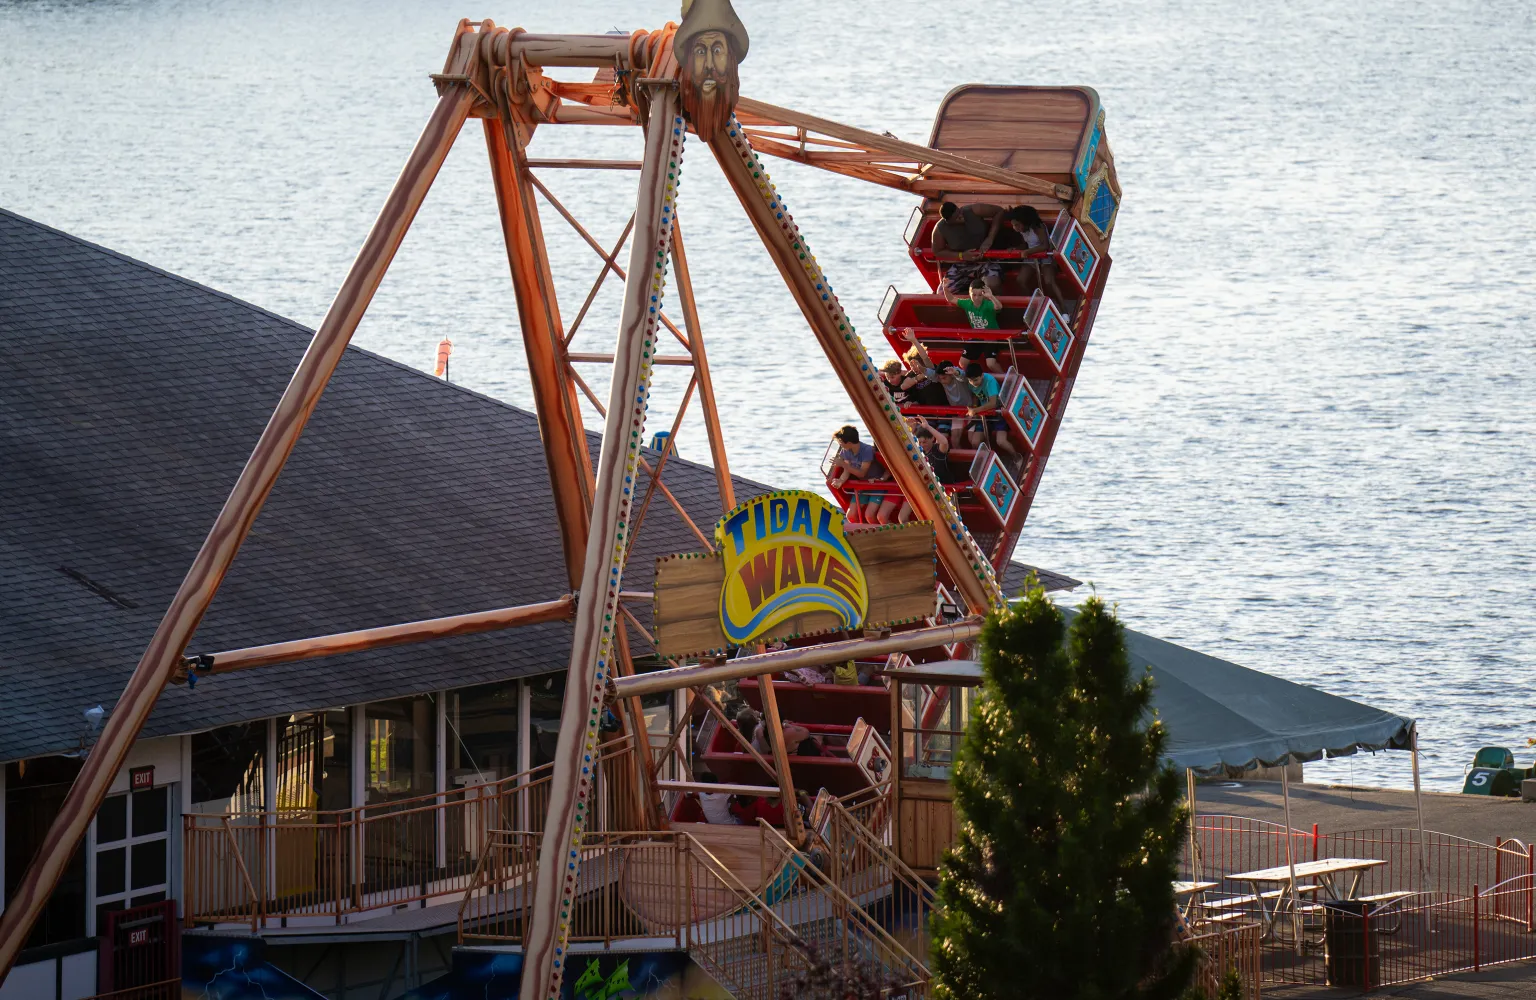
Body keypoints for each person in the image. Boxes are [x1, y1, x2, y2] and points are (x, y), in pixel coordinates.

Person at [1005, 205, 1073, 318]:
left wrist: (1028, 251)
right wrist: (1017, 248)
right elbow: (1027, 243)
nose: (1015, 228)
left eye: (1017, 225)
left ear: (1025, 222)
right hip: (1032, 256)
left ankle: (1064, 310)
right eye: (1013, 225)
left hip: (1045, 256)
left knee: (1049, 281)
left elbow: (1045, 245)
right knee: (1020, 280)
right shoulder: (1023, 230)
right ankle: (1034, 305)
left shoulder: (1038, 227)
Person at [930, 201, 1005, 297]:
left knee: (992, 285)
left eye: (960, 213)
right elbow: (938, 252)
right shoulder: (940, 229)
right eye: (957, 218)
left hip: (988, 260)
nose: (961, 217)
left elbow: (999, 211)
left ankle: (997, 307)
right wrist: (962, 256)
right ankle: (969, 305)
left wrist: (990, 238)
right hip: (963, 264)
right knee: (942, 293)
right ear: (947, 221)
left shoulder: (974, 210)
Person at [828, 425, 887, 523]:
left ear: (849, 443)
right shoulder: (846, 451)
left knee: (869, 515)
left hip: (876, 485)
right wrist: (841, 480)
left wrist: (842, 464)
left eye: (841, 443)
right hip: (862, 486)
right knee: (850, 515)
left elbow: (861, 473)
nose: (840, 445)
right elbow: (847, 470)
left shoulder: (867, 450)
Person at [965, 362, 1018, 457]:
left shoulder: (990, 381)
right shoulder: (971, 383)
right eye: (970, 381)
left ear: (982, 375)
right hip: (984, 415)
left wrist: (975, 410)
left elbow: (993, 403)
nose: (973, 383)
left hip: (998, 413)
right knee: (975, 442)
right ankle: (987, 461)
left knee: (1001, 441)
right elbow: (975, 395)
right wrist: (974, 406)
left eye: (975, 380)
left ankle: (1016, 457)